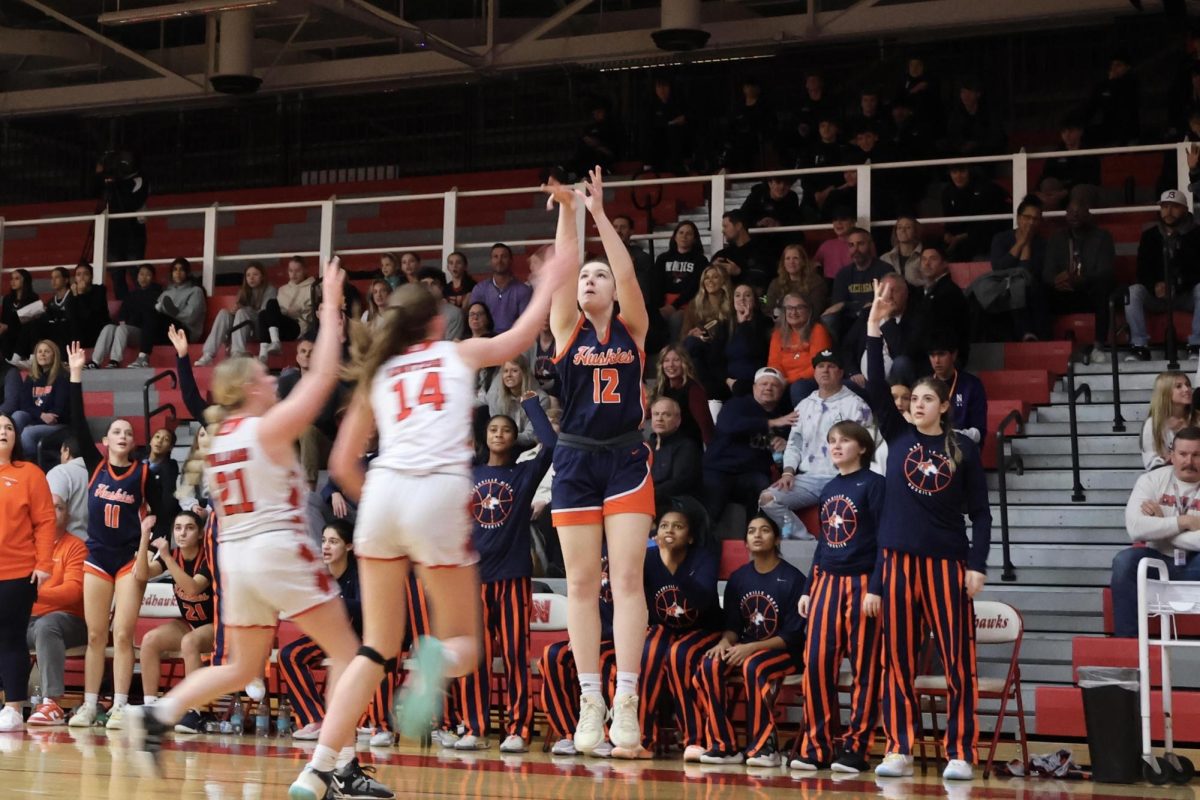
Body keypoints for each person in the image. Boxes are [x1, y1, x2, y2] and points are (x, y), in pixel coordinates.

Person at [287, 233, 572, 800]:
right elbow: (518, 337)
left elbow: (342, 465)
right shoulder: (456, 352)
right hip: (437, 493)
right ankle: (433, 662)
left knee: (373, 648)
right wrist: (549, 281)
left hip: (385, 495)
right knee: (463, 643)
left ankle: (316, 771)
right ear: (438, 324)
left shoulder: (380, 372)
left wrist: (388, 508)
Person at [125, 263, 373, 793]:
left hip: (236, 560)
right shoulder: (266, 425)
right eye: (262, 377)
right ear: (248, 390)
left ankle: (158, 713)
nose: (270, 378)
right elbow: (324, 377)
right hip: (276, 549)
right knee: (349, 654)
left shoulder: (218, 441)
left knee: (241, 668)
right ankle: (330, 767)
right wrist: (331, 307)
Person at [537, 166, 654, 756]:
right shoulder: (565, 327)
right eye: (585, 276)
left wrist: (600, 212)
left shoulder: (633, 327)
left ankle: (627, 701)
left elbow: (626, 269)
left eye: (598, 275)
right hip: (577, 460)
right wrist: (568, 210)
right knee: (582, 584)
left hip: (628, 457)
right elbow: (564, 262)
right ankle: (591, 703)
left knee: (627, 580)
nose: (589, 278)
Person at [863, 279, 991, 782]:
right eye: (912, 398)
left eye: (924, 399)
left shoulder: (962, 448)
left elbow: (980, 513)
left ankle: (960, 749)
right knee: (897, 659)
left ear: (942, 406)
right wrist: (874, 326)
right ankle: (899, 746)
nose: (915, 404)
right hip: (897, 561)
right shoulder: (895, 435)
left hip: (947, 563)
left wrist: (978, 564)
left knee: (958, 660)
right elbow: (875, 385)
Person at [63, 341, 164, 731]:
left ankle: (120, 705)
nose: (121, 435)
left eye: (127, 432)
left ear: (132, 442)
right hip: (97, 557)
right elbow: (75, 421)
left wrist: (154, 547)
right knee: (94, 634)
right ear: (105, 442)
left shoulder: (143, 474)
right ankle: (89, 705)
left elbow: (161, 517)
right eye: (115, 431)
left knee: (122, 634)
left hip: (127, 560)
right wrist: (75, 375)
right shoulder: (94, 464)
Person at [454, 396, 556, 752]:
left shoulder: (524, 473)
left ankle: (518, 729)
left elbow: (552, 445)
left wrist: (531, 405)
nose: (499, 434)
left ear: (515, 439)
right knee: (475, 657)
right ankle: (474, 726)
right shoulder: (469, 471)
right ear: (486, 435)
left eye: (506, 430)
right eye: (494, 429)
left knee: (514, 654)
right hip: (472, 579)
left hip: (512, 575)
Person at [790, 420, 885, 774]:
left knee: (865, 669)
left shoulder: (876, 486)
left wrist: (877, 586)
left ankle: (857, 747)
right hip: (827, 582)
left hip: (862, 584)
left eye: (844, 440)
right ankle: (817, 746)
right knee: (816, 666)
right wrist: (808, 588)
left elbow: (885, 542)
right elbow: (824, 543)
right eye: (831, 441)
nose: (836, 446)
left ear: (861, 447)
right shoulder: (829, 488)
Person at [692, 515, 805, 767]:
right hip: (744, 648)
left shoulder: (793, 578)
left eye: (764, 530)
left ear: (776, 539)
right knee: (709, 664)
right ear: (745, 541)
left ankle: (765, 746)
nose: (757, 535)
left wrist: (750, 648)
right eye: (752, 531)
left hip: (784, 653)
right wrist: (724, 643)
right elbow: (733, 627)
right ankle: (723, 745)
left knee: (754, 666)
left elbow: (792, 636)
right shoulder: (738, 578)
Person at [283, 521, 397, 748]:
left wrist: (336, 604)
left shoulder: (360, 574)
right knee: (290, 654)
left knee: (378, 660)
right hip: (331, 635)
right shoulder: (319, 575)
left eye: (333, 542)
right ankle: (315, 719)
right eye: (324, 541)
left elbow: (366, 608)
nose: (326, 546)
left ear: (348, 547)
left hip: (363, 638)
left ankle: (379, 725)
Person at [632, 503, 721, 760]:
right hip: (664, 626)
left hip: (704, 628)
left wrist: (672, 564)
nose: (670, 530)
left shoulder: (704, 557)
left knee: (679, 654)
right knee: (649, 652)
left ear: (690, 537)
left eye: (678, 526)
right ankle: (642, 739)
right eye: (664, 525)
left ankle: (693, 739)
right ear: (655, 534)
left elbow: (703, 600)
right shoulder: (647, 560)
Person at [759, 351, 874, 538]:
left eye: (831, 366)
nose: (825, 370)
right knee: (768, 498)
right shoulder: (804, 405)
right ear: (814, 373)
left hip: (843, 477)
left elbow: (869, 447)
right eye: (820, 366)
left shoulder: (857, 405)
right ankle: (806, 541)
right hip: (809, 478)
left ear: (841, 372)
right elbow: (794, 443)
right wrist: (788, 472)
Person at [1110, 427, 1200, 638]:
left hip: (1195, 563)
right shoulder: (1151, 481)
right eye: (1183, 454)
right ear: (1171, 455)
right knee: (1124, 561)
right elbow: (1135, 528)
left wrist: (1161, 525)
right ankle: (1128, 645)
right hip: (1157, 559)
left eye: (1197, 455)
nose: (1189, 461)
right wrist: (1183, 522)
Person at [0, 411, 55, 732]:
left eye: (8, 427)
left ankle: (14, 706)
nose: (4, 431)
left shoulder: (30, 474)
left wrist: (44, 564)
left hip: (17, 573)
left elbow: (46, 521)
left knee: (10, 639)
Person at [134, 511, 214, 728]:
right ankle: (150, 706)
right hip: (189, 622)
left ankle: (194, 710)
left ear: (199, 534)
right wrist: (144, 538)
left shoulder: (208, 557)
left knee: (190, 642)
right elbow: (141, 575)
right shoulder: (172, 554)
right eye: (178, 528)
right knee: (150, 640)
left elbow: (193, 587)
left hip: (217, 625)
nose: (182, 533)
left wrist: (167, 557)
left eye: (189, 528)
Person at [540, 554, 617, 756]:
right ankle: (568, 732)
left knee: (603, 661)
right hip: (590, 637)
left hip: (619, 640)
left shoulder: (635, 551)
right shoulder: (587, 550)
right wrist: (578, 636)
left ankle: (608, 736)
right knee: (554, 655)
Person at [25, 493, 88, 727]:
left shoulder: (76, 547)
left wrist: (30, 593)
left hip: (70, 621)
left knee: (47, 625)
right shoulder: (26, 547)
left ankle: (52, 703)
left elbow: (73, 592)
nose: (51, 512)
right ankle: (11, 701)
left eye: (58, 508)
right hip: (30, 619)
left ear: (68, 515)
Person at [702, 367, 796, 524]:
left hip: (751, 474)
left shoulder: (784, 418)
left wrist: (785, 445)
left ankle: (754, 541)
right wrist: (769, 423)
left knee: (765, 491)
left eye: (774, 385)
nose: (768, 388)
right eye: (763, 384)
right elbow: (727, 425)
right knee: (710, 511)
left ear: (781, 391)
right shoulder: (737, 404)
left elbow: (789, 451)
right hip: (719, 469)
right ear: (754, 388)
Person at [1125, 190, 1200, 361]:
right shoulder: (1150, 236)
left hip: (1185, 295)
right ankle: (1139, 346)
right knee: (1132, 292)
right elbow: (1142, 269)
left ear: (1184, 209)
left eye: (1174, 207)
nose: (1168, 211)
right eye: (1165, 207)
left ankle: (1197, 345)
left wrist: (1177, 285)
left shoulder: (1196, 234)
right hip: (1157, 296)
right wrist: (1154, 285)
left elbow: (1197, 270)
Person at [1042, 199, 1116, 362]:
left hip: (1090, 293)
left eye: (1079, 211)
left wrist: (1079, 280)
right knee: (1039, 290)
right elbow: (1047, 272)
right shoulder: (1057, 238)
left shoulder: (1102, 237)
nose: (1074, 215)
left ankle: (1098, 346)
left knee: (1103, 287)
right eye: (1071, 211)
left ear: (1088, 213)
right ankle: (1046, 347)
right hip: (1064, 293)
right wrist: (1056, 280)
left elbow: (1106, 272)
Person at [842, 272, 920, 387]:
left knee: (901, 362)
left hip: (896, 384)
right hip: (862, 381)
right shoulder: (868, 314)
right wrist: (853, 371)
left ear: (906, 293)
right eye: (884, 290)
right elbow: (847, 347)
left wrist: (887, 318)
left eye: (894, 290)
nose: (888, 296)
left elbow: (903, 352)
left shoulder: (916, 317)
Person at [196, 263, 277, 365]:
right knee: (223, 313)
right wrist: (233, 311)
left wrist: (244, 309)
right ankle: (208, 354)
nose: (251, 278)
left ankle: (237, 353)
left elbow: (265, 314)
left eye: (255, 274)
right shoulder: (243, 291)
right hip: (242, 328)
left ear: (262, 276)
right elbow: (237, 315)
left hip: (260, 330)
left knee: (242, 312)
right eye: (248, 275)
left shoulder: (270, 290)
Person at [89, 264, 162, 369]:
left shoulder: (157, 294)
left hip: (143, 334)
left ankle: (115, 360)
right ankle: (95, 361)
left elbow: (150, 316)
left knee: (122, 329)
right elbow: (122, 313)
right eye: (141, 274)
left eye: (148, 275)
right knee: (109, 327)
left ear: (153, 278)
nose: (144, 277)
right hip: (126, 331)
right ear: (137, 276)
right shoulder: (131, 295)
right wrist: (122, 320)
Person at [824, 228, 894, 338]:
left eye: (860, 244)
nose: (855, 249)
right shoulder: (843, 274)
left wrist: (848, 305)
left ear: (870, 245)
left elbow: (883, 304)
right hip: (849, 321)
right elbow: (837, 306)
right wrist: (859, 305)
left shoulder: (884, 270)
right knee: (829, 318)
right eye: (851, 245)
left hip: (876, 319)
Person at [909, 243, 971, 364]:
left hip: (942, 358)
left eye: (933, 259)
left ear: (944, 264)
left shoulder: (950, 292)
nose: (927, 264)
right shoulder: (919, 292)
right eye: (924, 259)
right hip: (922, 355)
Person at [679, 265, 734, 400]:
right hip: (701, 349)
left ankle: (705, 394)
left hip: (723, 347)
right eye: (707, 278)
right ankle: (707, 393)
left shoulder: (732, 303)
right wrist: (693, 333)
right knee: (691, 346)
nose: (710, 281)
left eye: (715, 277)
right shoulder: (695, 304)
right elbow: (684, 336)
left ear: (723, 281)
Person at [767, 292, 833, 399]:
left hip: (810, 381)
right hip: (784, 381)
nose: (793, 312)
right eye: (789, 308)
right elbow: (774, 363)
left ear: (808, 311)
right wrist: (778, 380)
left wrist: (789, 380)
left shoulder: (818, 330)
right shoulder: (777, 334)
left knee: (798, 387)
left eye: (799, 308)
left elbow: (818, 365)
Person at [12, 340, 70, 460]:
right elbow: (24, 404)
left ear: (54, 355)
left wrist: (38, 414)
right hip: (39, 418)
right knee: (18, 415)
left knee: (28, 433)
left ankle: (31, 466)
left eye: (47, 352)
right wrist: (41, 414)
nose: (42, 354)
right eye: (40, 352)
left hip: (60, 424)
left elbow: (58, 410)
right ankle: (10, 456)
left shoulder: (62, 377)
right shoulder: (32, 377)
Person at [927, 334, 988, 444]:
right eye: (932, 355)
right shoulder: (924, 387)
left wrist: (952, 436)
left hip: (962, 448)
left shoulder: (972, 385)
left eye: (941, 354)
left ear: (954, 355)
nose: (936, 361)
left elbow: (979, 432)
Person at [484, 355, 553, 449]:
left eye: (514, 371)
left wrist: (506, 438)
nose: (509, 375)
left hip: (530, 447)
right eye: (505, 371)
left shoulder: (541, 399)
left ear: (524, 373)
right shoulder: (495, 397)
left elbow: (531, 436)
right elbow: (495, 429)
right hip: (503, 445)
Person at [941, 165, 1008, 261]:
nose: (958, 176)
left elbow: (991, 223)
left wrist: (962, 237)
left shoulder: (987, 188)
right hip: (960, 238)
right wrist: (947, 234)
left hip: (986, 237)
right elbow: (948, 220)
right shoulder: (947, 192)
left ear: (970, 171)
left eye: (962, 171)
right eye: (954, 172)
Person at [651, 345, 714, 446]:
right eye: (666, 360)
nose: (670, 365)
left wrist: (712, 453)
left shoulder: (693, 389)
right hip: (665, 446)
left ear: (684, 363)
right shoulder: (661, 387)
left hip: (687, 447)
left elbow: (705, 425)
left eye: (676, 360)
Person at [648, 397, 702, 513]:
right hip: (647, 498)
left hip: (672, 503)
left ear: (678, 420)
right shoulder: (645, 446)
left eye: (666, 415)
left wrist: (648, 494)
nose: (659, 419)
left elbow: (679, 483)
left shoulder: (687, 446)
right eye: (656, 414)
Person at [257, 256, 316, 362]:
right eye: (291, 271)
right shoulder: (282, 289)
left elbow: (314, 314)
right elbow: (277, 312)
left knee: (270, 304)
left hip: (298, 326)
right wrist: (285, 312)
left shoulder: (313, 287)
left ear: (305, 270)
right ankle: (266, 350)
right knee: (264, 312)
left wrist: (298, 311)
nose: (293, 274)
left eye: (297, 271)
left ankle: (271, 346)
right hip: (281, 326)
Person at [1035, 118, 1101, 211]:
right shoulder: (1056, 153)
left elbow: (1090, 179)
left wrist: (1066, 191)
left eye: (1071, 131)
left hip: (1081, 192)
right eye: (1063, 131)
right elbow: (1046, 174)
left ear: (1080, 131)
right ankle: (1051, 222)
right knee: (1049, 184)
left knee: (1080, 190)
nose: (1067, 135)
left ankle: (1079, 222)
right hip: (1058, 194)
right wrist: (1038, 192)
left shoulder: (1090, 153)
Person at [469, 243, 532, 335]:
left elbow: (525, 324)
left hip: (513, 341)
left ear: (511, 261)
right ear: (491, 261)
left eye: (504, 256)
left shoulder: (523, 290)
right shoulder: (479, 289)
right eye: (495, 257)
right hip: (485, 340)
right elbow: (474, 322)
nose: (499, 260)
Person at [1141, 372, 1199, 471]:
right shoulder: (1153, 423)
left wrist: (1174, 457)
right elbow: (1152, 462)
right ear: (1165, 392)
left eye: (1188, 385)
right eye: (1179, 386)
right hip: (1165, 479)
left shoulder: (1197, 418)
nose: (1187, 389)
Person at [150, 258, 207, 359]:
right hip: (166, 329)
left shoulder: (195, 291)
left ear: (187, 273)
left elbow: (191, 317)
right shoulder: (166, 293)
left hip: (186, 331)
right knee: (150, 315)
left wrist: (173, 314)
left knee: (158, 318)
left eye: (181, 269)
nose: (178, 273)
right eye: (175, 270)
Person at [725, 282, 773, 397]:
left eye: (747, 295)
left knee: (741, 388)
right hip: (729, 378)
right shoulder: (724, 325)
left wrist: (744, 324)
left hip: (753, 376)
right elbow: (715, 359)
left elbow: (758, 352)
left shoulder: (765, 323)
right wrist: (727, 380)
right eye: (737, 295)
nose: (742, 299)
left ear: (754, 301)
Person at [1085, 53, 1140, 146]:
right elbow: (1094, 105)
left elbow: (1125, 104)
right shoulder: (1104, 86)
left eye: (1118, 65)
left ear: (1127, 67)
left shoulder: (1133, 84)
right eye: (1112, 65)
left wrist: (1113, 83)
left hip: (1129, 132)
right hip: (1110, 132)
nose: (1114, 68)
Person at [711, 210, 772, 294]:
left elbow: (764, 280)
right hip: (726, 303)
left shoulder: (761, 250)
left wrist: (739, 272)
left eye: (726, 226)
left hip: (759, 301)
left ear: (739, 226)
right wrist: (711, 269)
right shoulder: (721, 255)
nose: (723, 231)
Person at [765, 243, 828, 318]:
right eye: (788, 258)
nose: (791, 262)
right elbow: (769, 308)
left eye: (795, 258)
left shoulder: (816, 282)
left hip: (808, 324)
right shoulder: (775, 283)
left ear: (803, 262)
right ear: (783, 263)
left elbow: (816, 310)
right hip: (781, 324)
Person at [46, 438, 88, 540]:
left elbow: (52, 513)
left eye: (61, 453)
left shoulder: (60, 472)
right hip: (92, 547)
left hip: (65, 549)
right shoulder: (98, 474)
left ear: (67, 452)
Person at [417, 267, 466, 341]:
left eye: (433, 284)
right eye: (424, 284)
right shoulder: (414, 312)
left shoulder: (454, 313)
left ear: (441, 287)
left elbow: (450, 345)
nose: (429, 288)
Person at [69, 263, 110, 350]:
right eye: (78, 274)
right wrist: (76, 295)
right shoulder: (72, 292)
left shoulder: (99, 290)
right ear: (75, 278)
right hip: (79, 331)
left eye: (86, 274)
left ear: (91, 277)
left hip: (96, 327)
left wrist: (80, 294)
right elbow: (71, 316)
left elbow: (89, 315)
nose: (82, 277)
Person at [1, 268, 37, 359]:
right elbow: (4, 319)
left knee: (29, 328)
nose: (13, 281)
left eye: (17, 279)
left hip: (24, 332)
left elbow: (29, 321)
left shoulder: (33, 298)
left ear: (25, 280)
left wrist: (8, 327)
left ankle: (19, 356)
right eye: (12, 279)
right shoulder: (7, 299)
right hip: (9, 332)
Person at [813, 210, 856, 280]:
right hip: (831, 284)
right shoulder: (826, 245)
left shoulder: (859, 244)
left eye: (843, 219)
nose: (838, 223)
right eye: (835, 220)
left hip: (854, 282)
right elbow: (814, 264)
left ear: (852, 223)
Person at [881, 217, 924, 287]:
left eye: (908, 227)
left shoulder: (924, 257)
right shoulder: (885, 258)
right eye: (899, 227)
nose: (903, 230)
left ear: (915, 231)